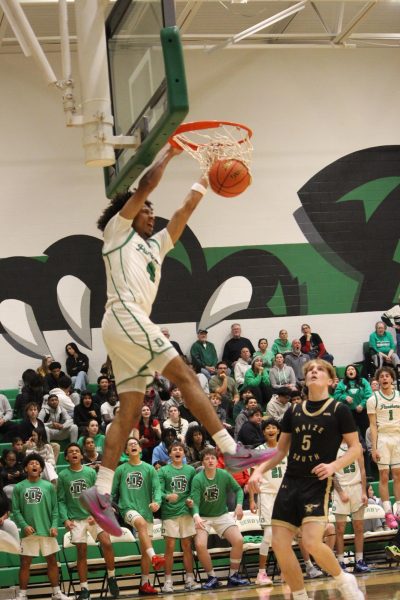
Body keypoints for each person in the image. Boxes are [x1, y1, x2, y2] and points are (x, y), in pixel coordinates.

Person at [80, 146, 274, 536]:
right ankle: (231, 449)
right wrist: (169, 152)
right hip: (125, 315)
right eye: (147, 209)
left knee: (129, 412)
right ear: (133, 213)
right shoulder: (117, 232)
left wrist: (204, 176)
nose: (153, 214)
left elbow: (184, 211)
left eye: (152, 210)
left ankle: (100, 491)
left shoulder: (155, 246)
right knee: (186, 377)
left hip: (124, 326)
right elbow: (147, 183)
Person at [249, 359, 364, 600]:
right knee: (279, 545)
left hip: (316, 483)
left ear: (331, 380)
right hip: (290, 482)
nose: (314, 371)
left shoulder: (339, 409)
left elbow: (355, 448)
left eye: (320, 369)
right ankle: (301, 596)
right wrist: (259, 470)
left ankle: (343, 579)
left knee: (311, 542)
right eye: (310, 369)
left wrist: (334, 465)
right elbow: (280, 451)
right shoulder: (294, 411)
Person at [58, 443, 119, 600]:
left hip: (93, 516)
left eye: (77, 451)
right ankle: (84, 589)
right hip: (76, 519)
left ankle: (112, 577)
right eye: (70, 452)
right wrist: (65, 519)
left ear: (81, 455)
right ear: (66, 457)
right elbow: (61, 500)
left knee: (106, 542)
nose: (74, 453)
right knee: (81, 552)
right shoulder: (63, 476)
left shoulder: (90, 472)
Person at [191, 447, 250, 589]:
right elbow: (194, 502)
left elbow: (238, 490)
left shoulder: (224, 474)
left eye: (213, 458)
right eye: (207, 458)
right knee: (199, 545)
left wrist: (239, 505)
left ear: (217, 461)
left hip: (222, 514)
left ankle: (233, 576)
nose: (210, 461)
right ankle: (212, 578)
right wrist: (196, 515)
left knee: (239, 540)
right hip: (203, 516)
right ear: (202, 463)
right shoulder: (198, 479)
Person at [112, 438, 164, 596]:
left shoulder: (149, 469)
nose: (133, 445)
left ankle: (144, 584)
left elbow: (157, 490)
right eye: (130, 445)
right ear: (126, 451)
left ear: (140, 449)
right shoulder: (121, 470)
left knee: (144, 551)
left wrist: (157, 502)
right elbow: (112, 492)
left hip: (146, 511)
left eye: (136, 444)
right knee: (140, 524)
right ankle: (155, 557)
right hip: (127, 508)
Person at [12, 453, 68, 600]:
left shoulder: (49, 486)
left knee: (52, 561)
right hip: (29, 533)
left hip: (47, 531)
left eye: (37, 463)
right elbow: (16, 511)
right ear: (25, 468)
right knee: (25, 563)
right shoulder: (18, 487)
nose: (34, 465)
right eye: (31, 463)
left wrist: (55, 526)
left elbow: (55, 509)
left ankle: (56, 593)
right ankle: (22, 595)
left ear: (41, 468)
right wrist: (24, 526)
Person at [158, 441, 200, 592]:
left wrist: (190, 499)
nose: (177, 451)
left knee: (187, 546)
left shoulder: (190, 470)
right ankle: (168, 582)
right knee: (169, 547)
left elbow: (194, 490)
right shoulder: (163, 471)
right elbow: (158, 492)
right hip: (169, 513)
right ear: (169, 454)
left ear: (184, 453)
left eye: (180, 449)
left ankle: (190, 579)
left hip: (185, 512)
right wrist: (167, 496)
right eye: (174, 449)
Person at [249, 418, 286, 586]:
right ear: (263, 432)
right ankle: (261, 573)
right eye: (267, 428)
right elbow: (252, 478)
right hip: (266, 496)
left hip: (284, 496)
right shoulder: (258, 451)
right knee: (269, 535)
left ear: (279, 430)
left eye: (274, 427)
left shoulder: (285, 449)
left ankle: (285, 570)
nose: (271, 430)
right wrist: (252, 500)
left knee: (283, 536)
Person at [366, 365, 400, 529]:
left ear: (392, 379)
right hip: (383, 438)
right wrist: (374, 447)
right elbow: (372, 425)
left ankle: (398, 510)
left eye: (387, 376)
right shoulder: (373, 399)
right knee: (384, 475)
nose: (385, 378)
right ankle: (387, 512)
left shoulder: (399, 396)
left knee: (398, 474)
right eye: (382, 376)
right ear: (378, 380)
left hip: (398, 436)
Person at [331, 440, 370, 573]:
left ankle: (359, 560)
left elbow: (363, 470)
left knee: (359, 527)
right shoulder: (332, 446)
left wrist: (364, 492)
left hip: (357, 489)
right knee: (340, 529)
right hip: (340, 490)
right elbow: (332, 474)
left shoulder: (357, 446)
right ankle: (341, 562)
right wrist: (341, 492)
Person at [334, 365, 372, 440]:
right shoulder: (342, 383)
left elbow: (369, 394)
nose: (351, 370)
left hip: (363, 411)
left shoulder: (363, 381)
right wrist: (344, 397)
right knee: (351, 434)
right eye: (348, 370)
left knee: (366, 432)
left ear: (356, 372)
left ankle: (368, 450)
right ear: (346, 373)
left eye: (352, 369)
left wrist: (362, 404)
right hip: (348, 412)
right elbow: (336, 395)